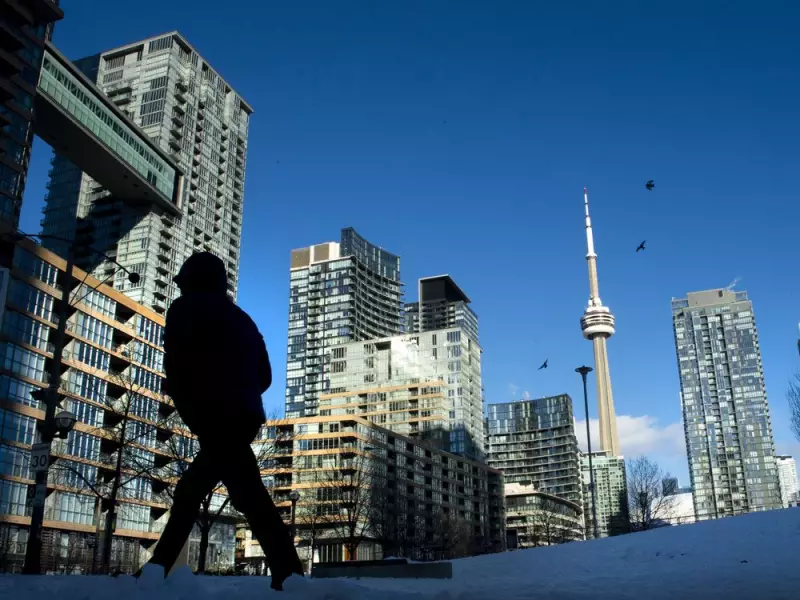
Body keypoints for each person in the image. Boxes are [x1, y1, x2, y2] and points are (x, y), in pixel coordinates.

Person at [145, 252, 303, 591]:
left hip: (214, 415)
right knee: (223, 494)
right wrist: (240, 391)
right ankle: (289, 575)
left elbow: (177, 364)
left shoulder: (184, 309)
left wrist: (191, 399)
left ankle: (289, 575)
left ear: (192, 282)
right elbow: (265, 375)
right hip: (244, 416)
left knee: (223, 494)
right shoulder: (242, 319)